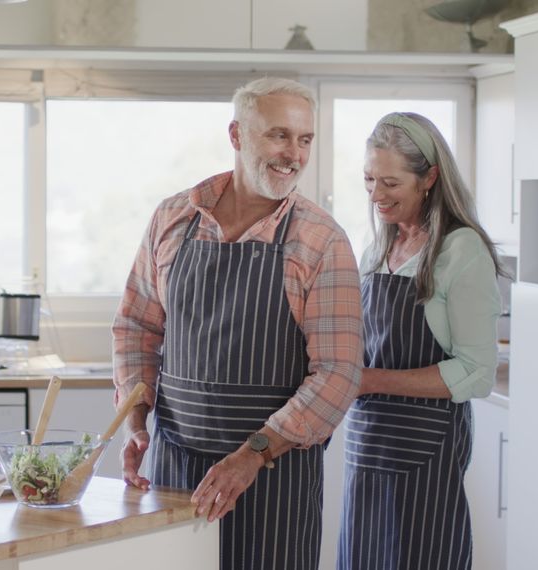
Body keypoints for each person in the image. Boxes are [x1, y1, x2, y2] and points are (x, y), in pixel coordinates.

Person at [112, 77, 364, 570]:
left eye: (305, 139)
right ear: (236, 135)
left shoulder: (321, 240)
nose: (294, 153)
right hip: (175, 467)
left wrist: (252, 455)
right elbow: (136, 327)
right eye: (279, 135)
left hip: (274, 476)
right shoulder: (173, 217)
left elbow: (339, 373)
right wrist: (135, 422)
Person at [337, 112, 503, 570]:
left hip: (425, 452)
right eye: (369, 180)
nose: (375, 196)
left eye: (391, 184)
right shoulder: (379, 248)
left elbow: (476, 372)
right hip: (368, 444)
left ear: (429, 177)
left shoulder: (460, 250)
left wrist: (370, 381)